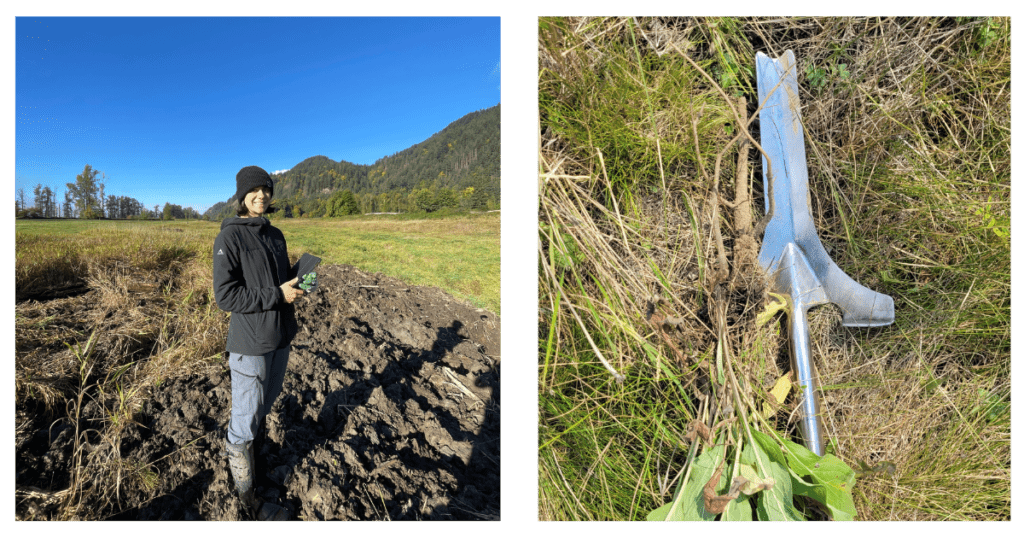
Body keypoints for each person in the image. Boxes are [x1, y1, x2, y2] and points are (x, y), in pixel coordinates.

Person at [213, 165, 304, 515]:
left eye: (267, 190)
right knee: (245, 418)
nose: (262, 196)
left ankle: (261, 469)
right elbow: (226, 297)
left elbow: (279, 282)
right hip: (249, 343)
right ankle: (247, 497)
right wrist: (277, 295)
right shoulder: (230, 237)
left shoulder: (275, 234)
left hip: (280, 336)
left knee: (263, 408)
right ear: (242, 196)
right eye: (255, 190)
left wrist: (297, 280)